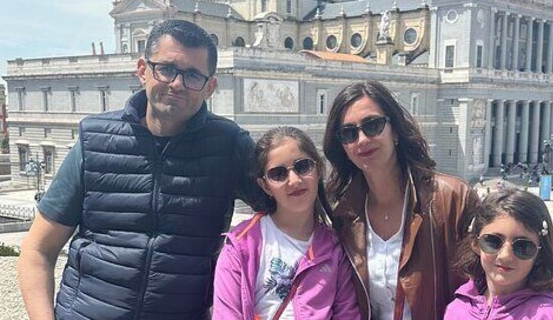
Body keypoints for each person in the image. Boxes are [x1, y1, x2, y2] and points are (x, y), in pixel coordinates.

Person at [18, 20, 260, 320]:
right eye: (166, 69)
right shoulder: (95, 140)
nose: (177, 84)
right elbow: (38, 250)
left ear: (210, 87)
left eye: (193, 75)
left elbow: (292, 209)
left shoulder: (230, 144)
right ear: (143, 70)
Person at [323, 80, 479, 318]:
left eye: (372, 125)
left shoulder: (452, 198)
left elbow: (484, 289)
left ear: (395, 130)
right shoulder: (343, 215)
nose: (362, 139)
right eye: (349, 133)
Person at [213, 126, 360, 319]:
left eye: (303, 166)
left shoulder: (335, 248)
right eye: (278, 174)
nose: (294, 180)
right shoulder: (241, 245)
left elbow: (347, 314)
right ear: (265, 186)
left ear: (318, 170)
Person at [444, 188, 553, 319]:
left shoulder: (551, 316)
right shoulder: (457, 310)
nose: (505, 256)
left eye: (522, 246)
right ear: (475, 244)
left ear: (540, 254)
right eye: (493, 241)